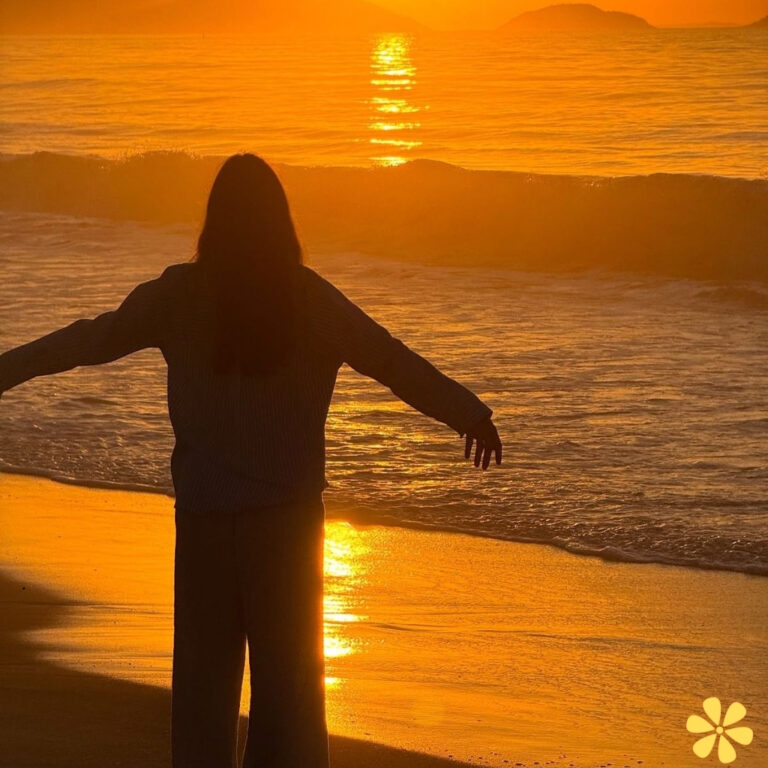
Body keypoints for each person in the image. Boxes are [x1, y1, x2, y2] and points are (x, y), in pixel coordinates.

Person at [0, 153, 502, 767]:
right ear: (280, 221)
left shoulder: (179, 296)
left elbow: (87, 338)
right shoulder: (307, 299)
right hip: (285, 528)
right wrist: (468, 412)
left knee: (203, 700)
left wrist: (7, 370)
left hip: (207, 521)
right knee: (289, 706)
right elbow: (388, 358)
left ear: (214, 221)